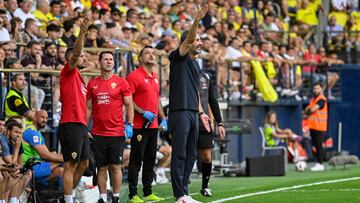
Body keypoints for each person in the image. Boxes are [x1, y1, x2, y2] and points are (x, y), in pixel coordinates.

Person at [168, 4, 211, 203]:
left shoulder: (195, 63)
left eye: (201, 40)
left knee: (192, 154)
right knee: (180, 154)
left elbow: (195, 90)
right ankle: (179, 195)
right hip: (179, 111)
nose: (200, 43)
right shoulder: (178, 56)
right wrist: (197, 20)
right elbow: (190, 39)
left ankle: (184, 192)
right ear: (187, 42)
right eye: (197, 40)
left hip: (193, 112)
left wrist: (202, 113)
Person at [86, 51, 134, 203]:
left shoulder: (121, 82)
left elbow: (129, 104)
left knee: (115, 166)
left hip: (116, 132)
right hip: (98, 133)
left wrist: (130, 124)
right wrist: (84, 126)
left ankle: (116, 196)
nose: (109, 62)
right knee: (101, 167)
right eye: (105, 59)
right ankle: (102, 197)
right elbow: (88, 108)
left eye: (111, 59)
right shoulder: (92, 83)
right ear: (99, 62)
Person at [126, 46, 167, 203]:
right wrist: (142, 112)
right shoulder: (133, 76)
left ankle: (148, 191)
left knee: (150, 160)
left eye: (153, 53)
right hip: (139, 126)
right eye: (148, 53)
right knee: (136, 160)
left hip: (153, 125)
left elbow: (156, 100)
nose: (152, 55)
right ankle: (132, 194)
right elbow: (128, 100)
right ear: (140, 58)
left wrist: (163, 117)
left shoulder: (155, 76)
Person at [57, 17, 91, 203]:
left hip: (80, 125)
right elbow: (77, 52)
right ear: (71, 58)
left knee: (84, 163)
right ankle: (68, 200)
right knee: (70, 164)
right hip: (70, 124)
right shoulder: (68, 71)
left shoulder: (79, 77)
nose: (84, 57)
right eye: (81, 55)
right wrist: (83, 32)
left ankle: (67, 196)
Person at [197, 70, 226, 197]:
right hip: (188, 120)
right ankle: (182, 189)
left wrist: (219, 122)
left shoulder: (206, 76)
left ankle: (205, 186)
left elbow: (212, 100)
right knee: (187, 155)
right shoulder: (184, 73)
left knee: (207, 157)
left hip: (204, 123)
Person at [22, 110, 63, 186]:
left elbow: (47, 154)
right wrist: (64, 158)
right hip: (29, 166)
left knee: (61, 171)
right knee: (64, 161)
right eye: (42, 117)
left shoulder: (38, 134)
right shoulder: (31, 132)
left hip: (37, 165)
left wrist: (57, 156)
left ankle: (66, 196)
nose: (45, 120)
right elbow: (44, 155)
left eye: (46, 118)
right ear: (35, 117)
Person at [0, 120, 28, 203]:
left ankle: (13, 200)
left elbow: (18, 164)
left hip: (5, 167)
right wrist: (17, 148)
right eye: (16, 132)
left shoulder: (15, 142)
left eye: (20, 133)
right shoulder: (3, 140)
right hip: (4, 168)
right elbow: (11, 164)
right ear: (8, 132)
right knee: (7, 176)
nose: (18, 135)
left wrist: (16, 169)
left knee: (23, 174)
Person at [304, 83, 328, 171]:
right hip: (313, 126)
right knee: (316, 145)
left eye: (318, 88)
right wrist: (308, 110)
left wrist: (308, 111)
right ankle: (318, 163)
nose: (316, 90)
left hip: (319, 126)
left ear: (321, 89)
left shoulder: (321, 99)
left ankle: (320, 164)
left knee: (319, 145)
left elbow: (312, 109)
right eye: (314, 88)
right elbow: (307, 109)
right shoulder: (313, 99)